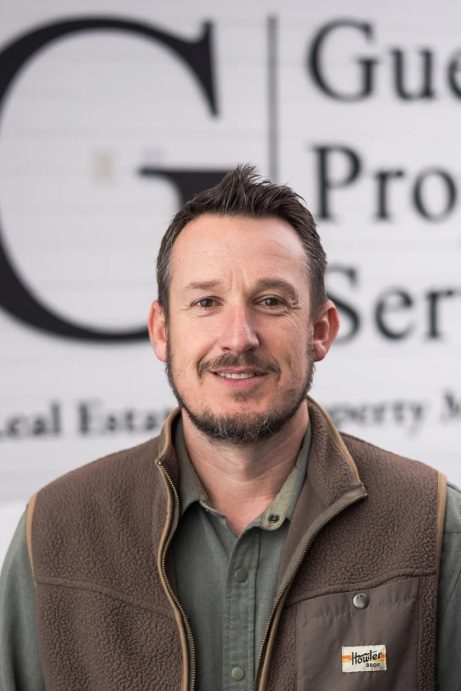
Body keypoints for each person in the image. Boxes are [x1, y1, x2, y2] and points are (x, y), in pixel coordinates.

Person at [1, 165, 460, 691]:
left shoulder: (433, 525)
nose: (238, 338)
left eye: (270, 301)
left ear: (319, 331)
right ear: (161, 331)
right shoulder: (55, 532)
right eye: (206, 302)